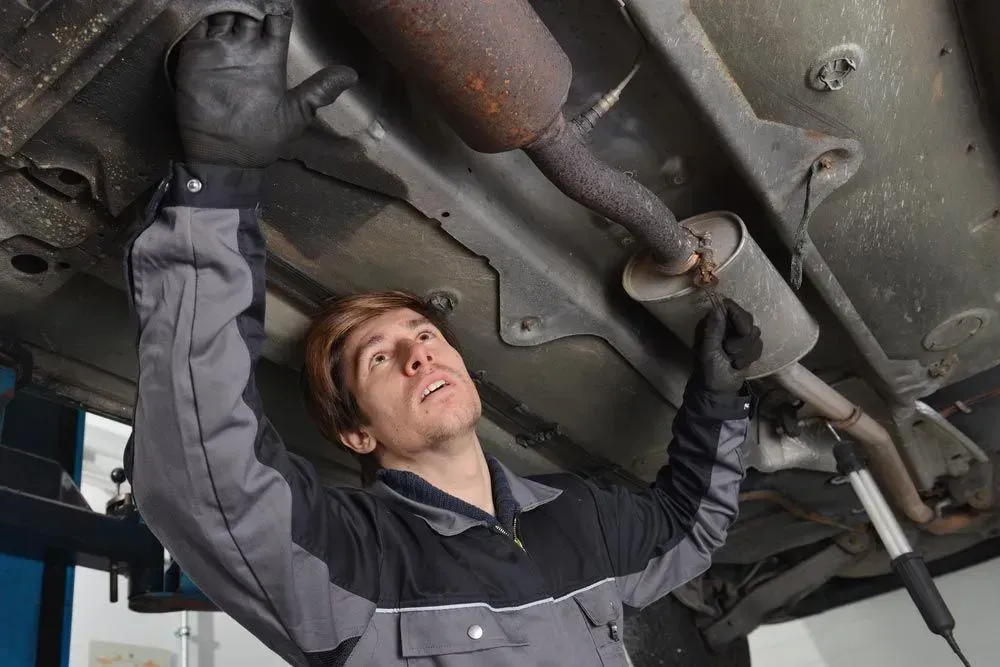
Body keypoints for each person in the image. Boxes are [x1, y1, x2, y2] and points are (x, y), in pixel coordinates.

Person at [126, 11, 763, 667]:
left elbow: (688, 528)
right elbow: (203, 475)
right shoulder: (353, 559)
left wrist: (718, 395)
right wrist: (219, 186)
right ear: (355, 432)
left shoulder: (579, 518)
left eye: (423, 332)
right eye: (379, 357)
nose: (417, 353)